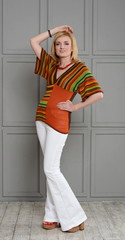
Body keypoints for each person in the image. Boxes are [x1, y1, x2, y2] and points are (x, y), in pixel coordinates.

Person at [30, 25, 103, 233]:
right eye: (58, 44)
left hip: (59, 121)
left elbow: (98, 94)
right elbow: (33, 42)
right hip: (41, 118)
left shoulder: (80, 69)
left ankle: (74, 216)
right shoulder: (51, 66)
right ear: (55, 48)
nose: (62, 47)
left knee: (50, 169)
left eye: (66, 43)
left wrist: (76, 106)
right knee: (50, 169)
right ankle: (51, 215)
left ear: (72, 48)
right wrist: (55, 30)